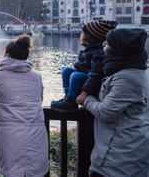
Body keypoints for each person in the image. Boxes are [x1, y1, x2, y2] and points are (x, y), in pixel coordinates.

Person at [0, 34, 48, 177]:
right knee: (35, 170)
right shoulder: (37, 77)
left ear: (7, 55)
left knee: (11, 171)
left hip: (10, 136)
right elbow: (38, 99)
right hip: (36, 133)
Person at [81, 28, 149, 177]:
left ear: (120, 50)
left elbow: (106, 113)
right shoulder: (135, 70)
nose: (104, 43)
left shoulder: (127, 78)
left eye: (109, 42)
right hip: (127, 150)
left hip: (118, 159)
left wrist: (86, 99)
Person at [51, 20, 117, 112]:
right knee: (66, 71)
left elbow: (96, 75)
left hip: (95, 84)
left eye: (83, 33)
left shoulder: (98, 53)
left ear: (89, 37)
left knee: (75, 76)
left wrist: (84, 94)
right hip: (89, 77)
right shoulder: (91, 49)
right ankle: (68, 97)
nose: (80, 35)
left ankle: (71, 102)